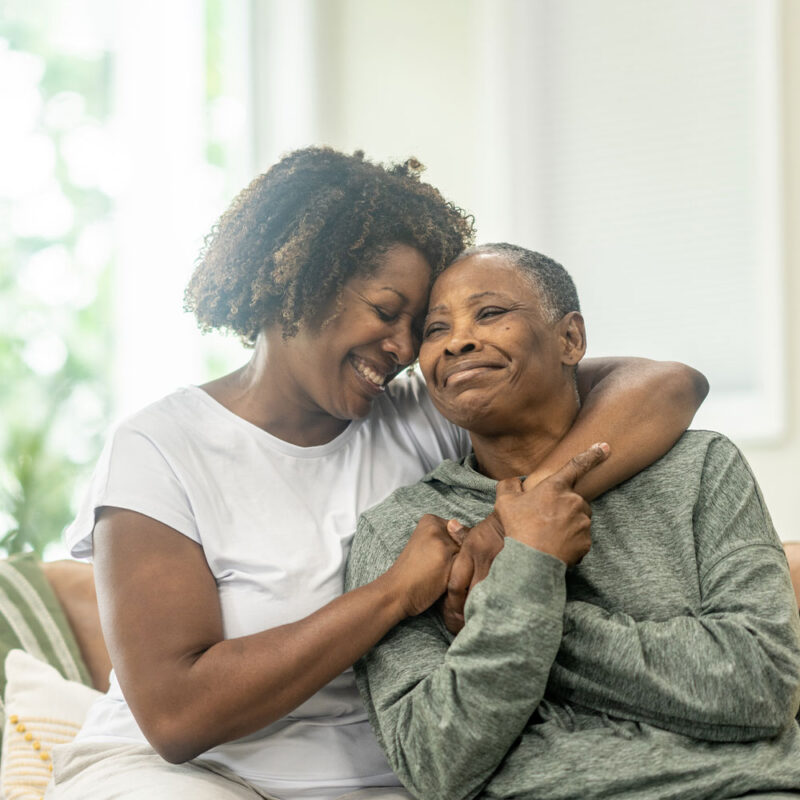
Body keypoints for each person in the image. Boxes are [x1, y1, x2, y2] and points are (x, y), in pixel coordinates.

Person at [47, 151, 707, 800]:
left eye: (415, 327)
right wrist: (392, 592)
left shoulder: (422, 416)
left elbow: (666, 384)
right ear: (298, 282)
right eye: (386, 312)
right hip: (185, 777)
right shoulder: (162, 447)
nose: (402, 350)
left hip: (388, 779)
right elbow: (178, 716)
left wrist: (516, 520)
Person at [346, 243, 800, 800]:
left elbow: (763, 684)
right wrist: (534, 565)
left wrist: (511, 596)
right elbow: (435, 763)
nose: (458, 340)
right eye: (436, 330)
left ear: (571, 340)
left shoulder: (701, 467)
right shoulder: (409, 534)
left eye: (489, 314)